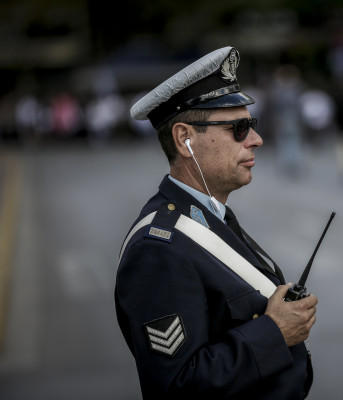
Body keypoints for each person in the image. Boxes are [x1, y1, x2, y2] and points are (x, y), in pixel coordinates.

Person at [115, 46, 318, 399]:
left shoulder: (208, 213)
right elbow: (176, 386)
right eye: (238, 128)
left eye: (251, 125)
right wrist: (274, 331)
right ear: (185, 139)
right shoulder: (157, 250)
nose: (256, 139)